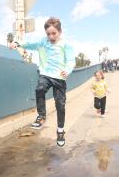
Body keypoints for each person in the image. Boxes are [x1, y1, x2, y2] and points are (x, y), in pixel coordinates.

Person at [9, 17, 75, 147]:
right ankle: (41, 116)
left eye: (53, 33)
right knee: (39, 89)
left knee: (60, 105)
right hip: (46, 74)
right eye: (48, 34)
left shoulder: (66, 45)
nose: (51, 36)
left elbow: (71, 61)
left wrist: (67, 70)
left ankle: (60, 131)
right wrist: (17, 44)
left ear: (60, 32)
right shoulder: (42, 42)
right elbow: (29, 43)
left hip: (60, 78)